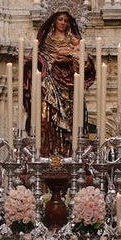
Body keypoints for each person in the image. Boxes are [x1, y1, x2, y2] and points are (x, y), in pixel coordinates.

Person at [29, 9, 96, 156]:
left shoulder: (73, 40)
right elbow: (36, 58)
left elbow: (84, 61)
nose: (63, 23)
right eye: (60, 19)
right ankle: (47, 151)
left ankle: (67, 152)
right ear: (54, 20)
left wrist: (71, 59)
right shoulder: (45, 40)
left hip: (68, 83)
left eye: (66, 20)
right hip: (48, 80)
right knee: (46, 113)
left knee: (71, 116)